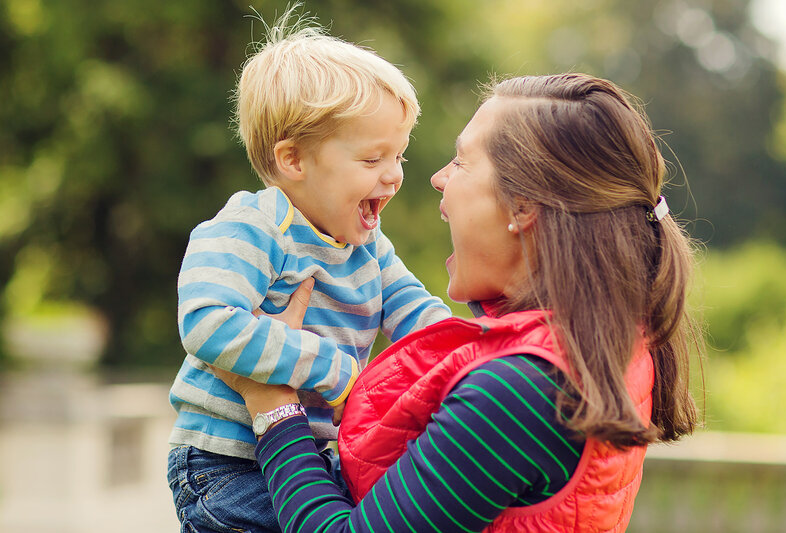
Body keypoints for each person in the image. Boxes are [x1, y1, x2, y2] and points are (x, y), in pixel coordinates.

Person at [212, 72, 701, 532]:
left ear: (523, 207)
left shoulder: (522, 388)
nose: (438, 179)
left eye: (462, 161)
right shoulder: (609, 343)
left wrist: (272, 402)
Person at [166, 9, 451, 533]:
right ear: (294, 160)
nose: (393, 175)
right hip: (230, 465)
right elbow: (207, 321)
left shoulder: (368, 246)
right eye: (372, 160)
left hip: (304, 455)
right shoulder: (254, 227)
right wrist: (336, 372)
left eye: (400, 157)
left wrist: (475, 355)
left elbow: (420, 316)